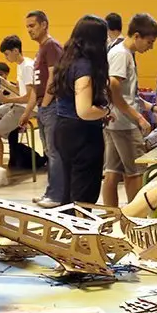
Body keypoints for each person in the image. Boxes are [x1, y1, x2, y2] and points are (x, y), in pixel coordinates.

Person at [101, 13, 157, 208]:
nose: (150, 47)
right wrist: (139, 118)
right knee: (135, 173)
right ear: (136, 36)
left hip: (115, 122)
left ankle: (114, 215)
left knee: (112, 171)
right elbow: (113, 92)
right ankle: (136, 218)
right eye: (149, 42)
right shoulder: (121, 54)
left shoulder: (124, 53)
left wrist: (154, 108)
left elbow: (129, 94)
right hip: (123, 124)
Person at [52, 15, 113, 204]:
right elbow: (84, 110)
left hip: (64, 128)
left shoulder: (67, 61)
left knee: (70, 191)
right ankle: (80, 232)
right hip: (82, 135)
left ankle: (68, 231)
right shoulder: (85, 67)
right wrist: (106, 112)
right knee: (83, 194)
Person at [17, 11, 65, 208]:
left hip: (52, 106)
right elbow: (36, 87)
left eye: (32, 25)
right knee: (48, 151)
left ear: (44, 24)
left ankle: (56, 195)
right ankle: (50, 192)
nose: (29, 30)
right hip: (42, 107)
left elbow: (53, 79)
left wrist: (45, 104)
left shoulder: (52, 46)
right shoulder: (40, 51)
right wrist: (28, 112)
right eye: (27, 26)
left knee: (55, 152)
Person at [0, 35, 35, 171]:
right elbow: (19, 90)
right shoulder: (21, 66)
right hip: (19, 104)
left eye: (7, 54)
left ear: (15, 51)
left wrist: (7, 100)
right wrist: (3, 82)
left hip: (27, 107)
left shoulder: (27, 67)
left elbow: (29, 97)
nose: (7, 58)